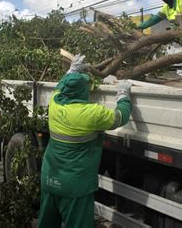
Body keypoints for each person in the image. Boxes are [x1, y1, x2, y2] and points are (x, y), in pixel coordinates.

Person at [38, 54, 133, 228]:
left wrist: (71, 71)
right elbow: (120, 117)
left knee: (47, 224)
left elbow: (60, 88)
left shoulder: (55, 104)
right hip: (75, 185)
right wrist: (123, 95)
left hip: (50, 178)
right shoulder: (91, 114)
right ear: (83, 91)